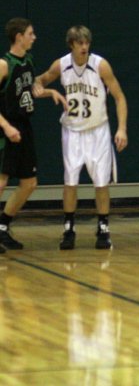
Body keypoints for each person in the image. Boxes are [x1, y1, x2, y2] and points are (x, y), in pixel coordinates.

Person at [33, 26, 129, 250]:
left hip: (98, 129)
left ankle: (103, 228)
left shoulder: (100, 65)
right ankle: (68, 228)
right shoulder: (61, 64)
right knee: (70, 181)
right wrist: (41, 89)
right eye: (80, 43)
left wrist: (122, 128)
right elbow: (40, 81)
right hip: (72, 130)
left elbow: (120, 97)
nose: (84, 47)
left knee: (101, 182)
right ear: (72, 45)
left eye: (87, 42)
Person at [0, 18, 66, 251]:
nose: (34, 37)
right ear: (19, 36)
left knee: (29, 183)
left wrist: (48, 92)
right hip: (5, 127)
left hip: (24, 126)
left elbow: (26, 92)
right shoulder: (4, 64)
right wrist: (6, 127)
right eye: (30, 33)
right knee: (1, 181)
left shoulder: (27, 61)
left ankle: (3, 227)